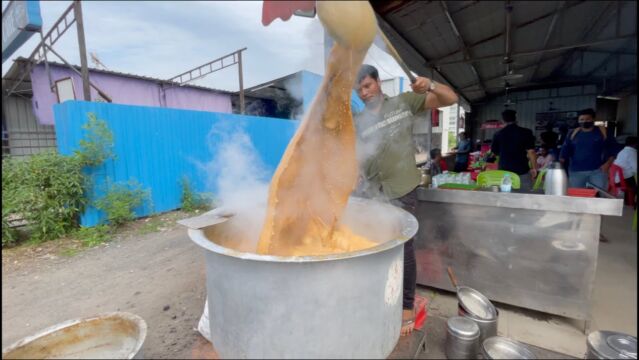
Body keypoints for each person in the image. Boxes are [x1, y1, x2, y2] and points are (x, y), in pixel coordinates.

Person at [353, 64, 458, 336]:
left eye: (368, 86)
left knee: (403, 248)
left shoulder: (403, 103)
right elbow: (357, 155)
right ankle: (379, 296)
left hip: (402, 189)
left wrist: (431, 85)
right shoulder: (358, 121)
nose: (364, 93)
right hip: (373, 192)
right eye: (359, 89)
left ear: (377, 83)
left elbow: (451, 99)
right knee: (375, 246)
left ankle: (406, 308)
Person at [559, 108, 616, 189]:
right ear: (578, 120)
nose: (584, 121)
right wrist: (558, 165)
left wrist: (608, 164)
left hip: (598, 171)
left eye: (587, 119)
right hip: (576, 171)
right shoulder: (572, 133)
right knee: (577, 197)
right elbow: (565, 150)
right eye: (581, 119)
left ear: (593, 119)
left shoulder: (603, 131)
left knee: (599, 196)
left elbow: (613, 148)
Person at [490, 109, 538, 190]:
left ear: (503, 120)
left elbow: (494, 152)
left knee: (505, 196)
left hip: (504, 172)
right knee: (524, 196)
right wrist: (534, 168)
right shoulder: (526, 132)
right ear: (516, 118)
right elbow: (531, 152)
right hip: (521, 171)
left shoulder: (498, 134)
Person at [613, 136, 637, 203]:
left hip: (616, 178)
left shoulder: (623, 151)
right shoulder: (632, 152)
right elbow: (636, 169)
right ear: (635, 144)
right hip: (623, 180)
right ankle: (631, 202)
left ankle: (628, 200)